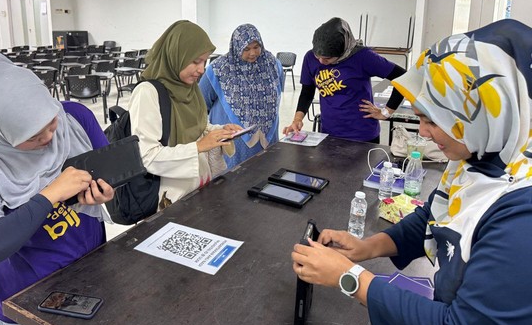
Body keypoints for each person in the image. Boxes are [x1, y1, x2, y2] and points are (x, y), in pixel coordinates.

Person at [291, 19, 532, 325]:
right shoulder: (477, 159)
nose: (423, 133)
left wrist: (350, 277)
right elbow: (431, 218)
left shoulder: (522, 218)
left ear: (483, 114)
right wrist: (366, 247)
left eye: (432, 121)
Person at [0, 51, 115, 325]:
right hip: (22, 302)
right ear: (1, 132)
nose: (49, 138)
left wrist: (103, 192)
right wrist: (49, 195)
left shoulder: (74, 118)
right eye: (32, 137)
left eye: (51, 123)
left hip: (86, 277)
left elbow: (110, 171)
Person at [128, 20, 241, 209]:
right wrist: (198, 146)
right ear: (176, 55)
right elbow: (147, 157)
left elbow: (198, 127)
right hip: (170, 199)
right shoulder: (148, 93)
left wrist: (219, 132)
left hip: (199, 187)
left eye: (205, 61)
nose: (201, 69)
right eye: (195, 61)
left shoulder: (190, 88)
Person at [282, 17, 406, 143]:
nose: (321, 61)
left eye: (328, 58)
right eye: (317, 56)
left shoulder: (363, 57)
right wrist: (297, 119)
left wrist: (386, 112)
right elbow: (307, 91)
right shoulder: (310, 58)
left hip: (362, 134)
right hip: (329, 132)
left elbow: (402, 77)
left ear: (342, 52)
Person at [199, 24, 284, 169]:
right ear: (236, 47)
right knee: (234, 177)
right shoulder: (219, 69)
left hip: (268, 138)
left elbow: (279, 89)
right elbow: (201, 103)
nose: (253, 53)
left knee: (267, 173)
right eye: (246, 49)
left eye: (256, 47)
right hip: (234, 141)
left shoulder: (273, 64)